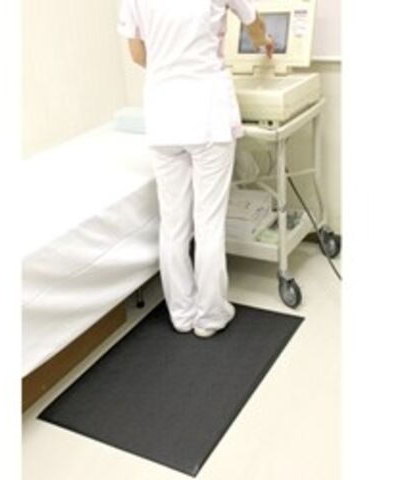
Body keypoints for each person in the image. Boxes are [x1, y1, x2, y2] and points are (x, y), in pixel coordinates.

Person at [118, 0, 274, 338]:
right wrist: (265, 43)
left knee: (173, 224)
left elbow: (137, 53)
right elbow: (255, 26)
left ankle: (182, 313)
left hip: (163, 113)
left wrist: (171, 67)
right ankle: (211, 316)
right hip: (207, 114)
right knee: (208, 223)